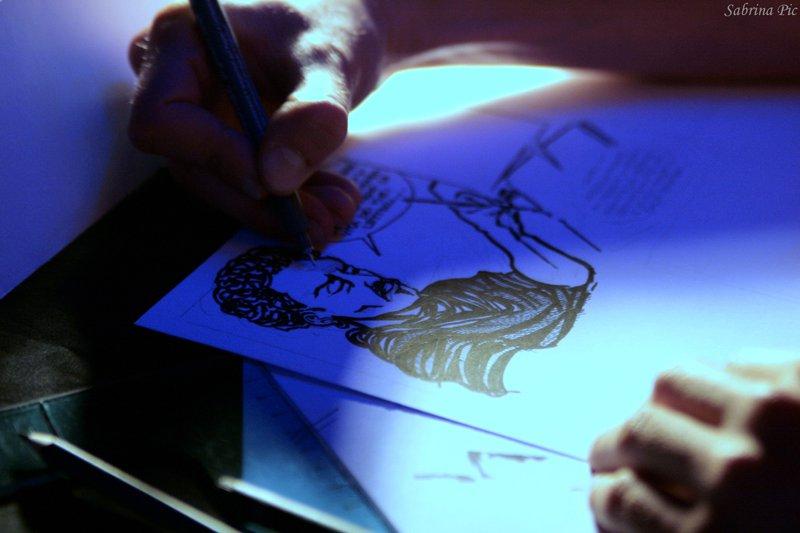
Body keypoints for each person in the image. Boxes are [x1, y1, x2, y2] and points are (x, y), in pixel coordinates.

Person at [127, 2, 800, 530]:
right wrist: (388, 16)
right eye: (336, 284)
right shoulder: (438, 335)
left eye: (343, 274)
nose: (359, 275)